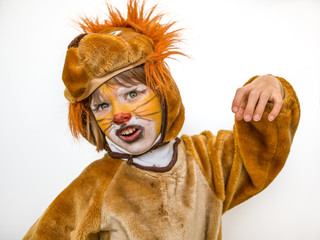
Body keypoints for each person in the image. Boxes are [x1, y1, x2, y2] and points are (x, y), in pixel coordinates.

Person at [23, 0, 300, 239]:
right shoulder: (96, 184)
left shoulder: (208, 159)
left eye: (132, 93)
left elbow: (261, 158)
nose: (119, 114)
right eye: (102, 105)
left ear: (163, 93)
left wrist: (271, 92)